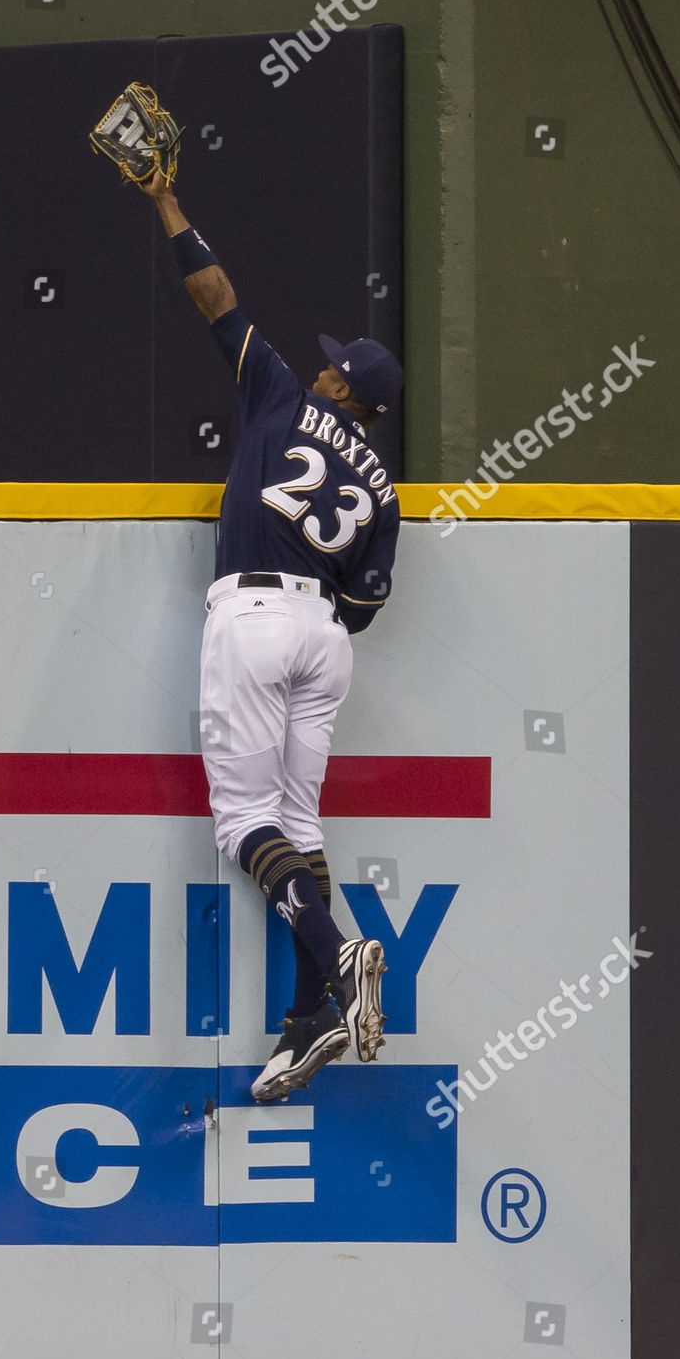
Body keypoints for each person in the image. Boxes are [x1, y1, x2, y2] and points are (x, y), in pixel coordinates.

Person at [138, 170, 404, 1103]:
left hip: (251, 613)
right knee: (297, 826)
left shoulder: (285, 393)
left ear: (339, 384)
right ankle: (311, 1017)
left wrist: (167, 203)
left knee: (245, 824)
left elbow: (214, 296)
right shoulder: (384, 491)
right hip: (325, 638)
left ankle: (339, 958)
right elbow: (366, 606)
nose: (325, 363)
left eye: (336, 362)